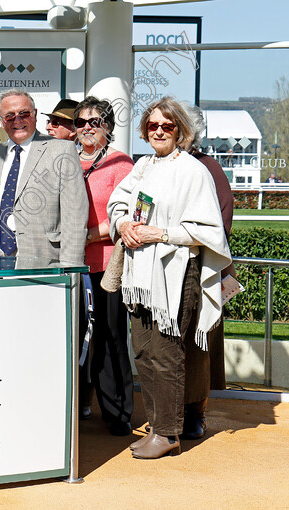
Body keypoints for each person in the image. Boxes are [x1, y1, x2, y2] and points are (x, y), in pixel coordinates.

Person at [107, 96, 231, 459]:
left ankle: (168, 432)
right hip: (139, 274)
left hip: (175, 272)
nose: (159, 131)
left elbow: (207, 230)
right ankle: (158, 427)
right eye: (153, 125)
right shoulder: (143, 165)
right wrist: (123, 223)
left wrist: (159, 234)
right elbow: (118, 202)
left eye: (168, 125)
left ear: (181, 131)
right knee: (144, 351)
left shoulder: (193, 170)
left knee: (167, 353)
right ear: (145, 130)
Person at [74, 96, 135, 436]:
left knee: (111, 336)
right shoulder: (67, 162)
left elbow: (123, 217)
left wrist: (85, 236)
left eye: (94, 122)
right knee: (77, 338)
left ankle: (118, 411)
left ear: (108, 127)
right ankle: (79, 405)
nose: (86, 128)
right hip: (72, 266)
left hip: (108, 266)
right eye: (81, 122)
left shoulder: (120, 165)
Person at [0, 89, 88, 266]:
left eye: (24, 113)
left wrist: (70, 272)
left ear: (35, 114)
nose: (18, 120)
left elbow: (74, 218)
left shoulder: (62, 151)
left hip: (45, 267)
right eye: (10, 116)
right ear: (0, 121)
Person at [180, 102, 235, 440]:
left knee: (198, 346)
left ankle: (195, 412)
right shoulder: (157, 166)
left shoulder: (209, 167)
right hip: (164, 272)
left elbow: (221, 226)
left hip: (200, 271)